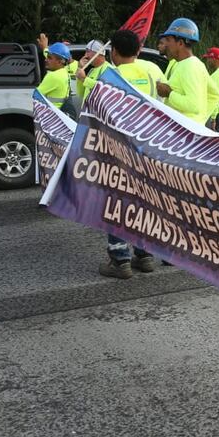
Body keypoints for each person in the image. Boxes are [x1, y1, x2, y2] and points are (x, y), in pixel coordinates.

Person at [97, 30, 158, 279]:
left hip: (119, 149)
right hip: (145, 148)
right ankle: (145, 255)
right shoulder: (149, 74)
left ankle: (120, 259)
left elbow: (100, 115)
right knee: (142, 201)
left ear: (113, 51)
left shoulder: (111, 76)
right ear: (138, 50)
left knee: (117, 203)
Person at [155, 18, 211, 125]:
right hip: (184, 129)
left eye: (168, 40)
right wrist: (201, 120)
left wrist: (169, 93)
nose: (165, 45)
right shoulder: (188, 64)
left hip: (185, 130)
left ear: (180, 43)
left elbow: (193, 105)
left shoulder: (190, 66)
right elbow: (213, 94)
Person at [36, 42, 74, 109]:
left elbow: (36, 96)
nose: (45, 60)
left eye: (49, 58)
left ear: (60, 62)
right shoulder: (65, 72)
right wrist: (45, 48)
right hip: (58, 112)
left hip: (50, 113)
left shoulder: (53, 76)